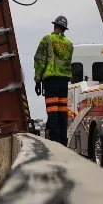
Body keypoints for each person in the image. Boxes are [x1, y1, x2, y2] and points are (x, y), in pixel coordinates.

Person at [33, 15, 74, 146]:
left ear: (55, 26)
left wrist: (37, 80)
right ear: (64, 29)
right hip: (63, 82)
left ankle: (55, 141)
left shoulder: (47, 40)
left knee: (52, 112)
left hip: (51, 81)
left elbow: (39, 60)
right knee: (62, 113)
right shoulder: (68, 44)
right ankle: (63, 140)